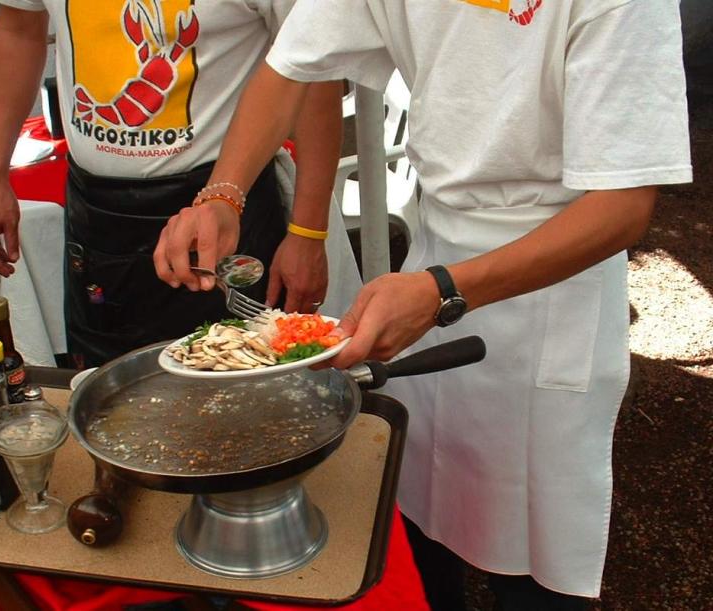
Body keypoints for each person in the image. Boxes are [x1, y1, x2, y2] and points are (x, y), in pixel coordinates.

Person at [153, 1, 693, 608]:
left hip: (549, 284)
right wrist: (223, 196)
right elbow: (292, 67)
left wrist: (442, 290)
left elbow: (622, 207)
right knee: (419, 507)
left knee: (532, 557)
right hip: (435, 257)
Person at [0, 0, 361, 368]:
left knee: (247, 393)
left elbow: (314, 73)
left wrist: (308, 233)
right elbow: (18, 29)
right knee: (110, 394)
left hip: (229, 213)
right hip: (97, 219)